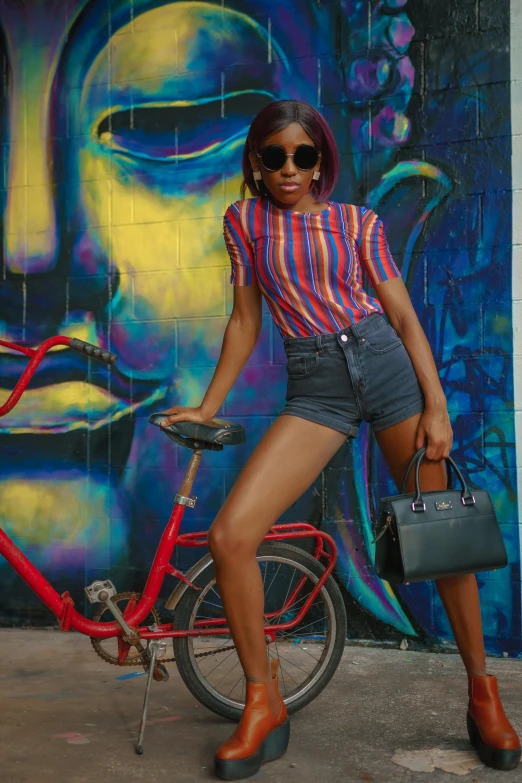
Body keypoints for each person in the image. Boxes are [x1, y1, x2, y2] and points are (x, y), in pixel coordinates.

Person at [160, 100, 520, 780]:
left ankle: (482, 690)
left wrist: (436, 406)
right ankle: (263, 700)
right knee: (232, 534)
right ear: (256, 164)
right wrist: (208, 405)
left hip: (386, 370)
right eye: (274, 156)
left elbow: (404, 316)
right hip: (317, 385)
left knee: (441, 540)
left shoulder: (358, 222)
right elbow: (244, 321)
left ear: (320, 161)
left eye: (302, 155)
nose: (289, 168)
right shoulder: (243, 222)